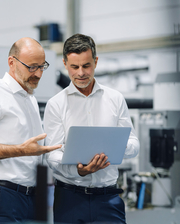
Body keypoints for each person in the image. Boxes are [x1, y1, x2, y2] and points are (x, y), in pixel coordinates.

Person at [0, 37, 62, 223]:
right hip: (2, 196)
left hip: (31, 197)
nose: (39, 74)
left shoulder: (29, 98)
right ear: (11, 62)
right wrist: (21, 150)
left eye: (42, 67)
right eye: (32, 67)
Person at [43, 33, 140, 223]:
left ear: (95, 61)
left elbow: (134, 145)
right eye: (74, 67)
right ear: (64, 64)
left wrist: (112, 147)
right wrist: (80, 171)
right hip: (70, 199)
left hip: (108, 198)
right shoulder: (55, 104)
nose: (80, 73)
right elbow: (52, 155)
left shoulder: (115, 99)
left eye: (86, 66)